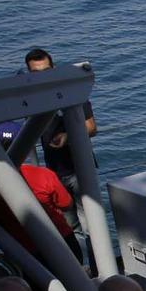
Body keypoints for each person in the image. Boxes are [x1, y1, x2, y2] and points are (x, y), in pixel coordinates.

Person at [23, 46, 98, 196]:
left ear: (54, 68)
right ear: (29, 74)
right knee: (66, 218)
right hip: (54, 171)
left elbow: (91, 128)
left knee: (88, 214)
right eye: (36, 73)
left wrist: (67, 136)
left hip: (81, 168)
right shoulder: (31, 100)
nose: (43, 77)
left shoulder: (73, 92)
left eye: (47, 71)